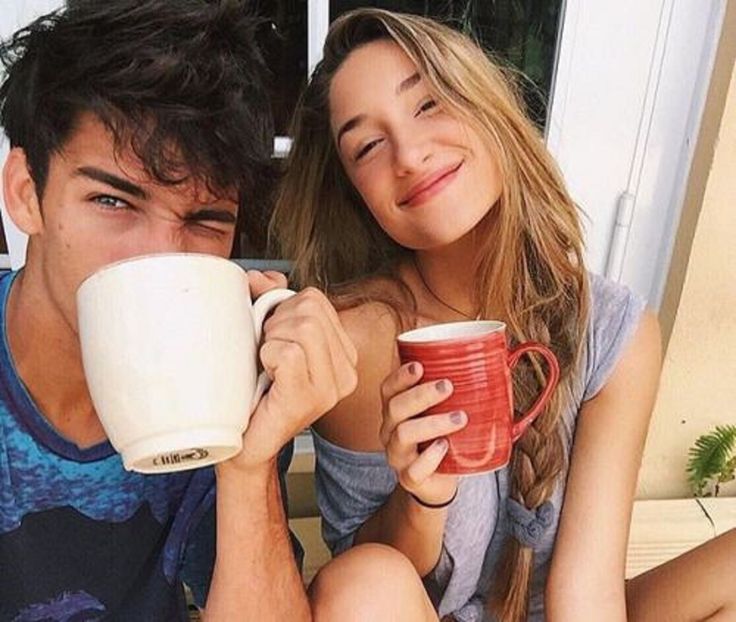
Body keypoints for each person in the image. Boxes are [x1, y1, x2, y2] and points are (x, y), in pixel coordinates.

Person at [271, 8, 736, 622]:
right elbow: (368, 596)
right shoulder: (359, 339)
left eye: (429, 104)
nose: (408, 154)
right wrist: (421, 500)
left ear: (490, 111)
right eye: (368, 146)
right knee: (362, 582)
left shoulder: (612, 329)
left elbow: (588, 592)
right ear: (356, 194)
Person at [0, 2, 438, 620]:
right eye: (113, 201)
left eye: (206, 220)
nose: (161, 254)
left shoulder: (224, 391)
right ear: (26, 193)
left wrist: (248, 463)